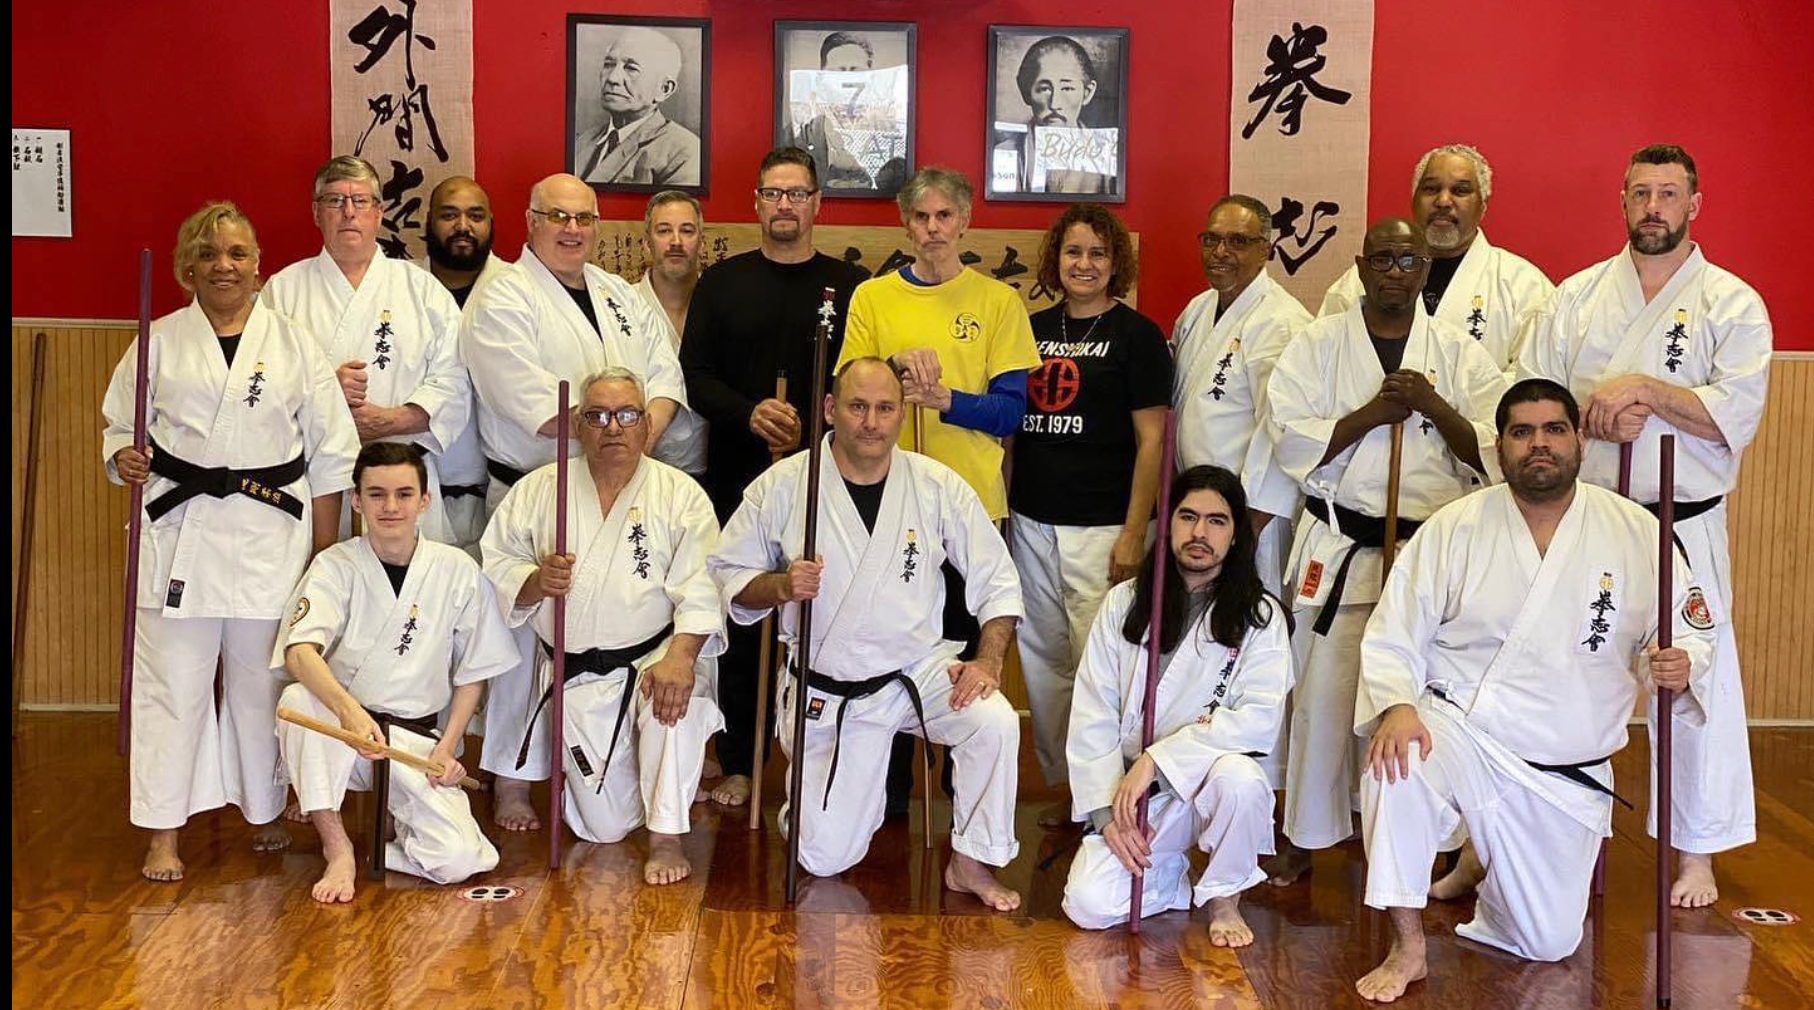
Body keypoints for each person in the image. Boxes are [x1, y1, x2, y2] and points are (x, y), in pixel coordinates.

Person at [1349, 379, 1715, 1002]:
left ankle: (1482, 867)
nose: (1538, 445)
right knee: (1396, 765)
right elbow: (1395, 631)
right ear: (1500, 447)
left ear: (1578, 440)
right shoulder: (1455, 526)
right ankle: (1408, 946)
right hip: (1462, 726)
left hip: (1560, 764)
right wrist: (1399, 706)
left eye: (1553, 430)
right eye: (1522, 432)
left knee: (1547, 942)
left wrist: (1682, 661)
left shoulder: (1635, 531)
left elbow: (1686, 627)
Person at [1515, 144, 1771, 908]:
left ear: (1696, 204)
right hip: (1592, 518)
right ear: (1621, 201)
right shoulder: (1577, 297)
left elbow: (1738, 414)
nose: (1653, 207)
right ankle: (1549, 827)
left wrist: (1647, 392)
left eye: (1668, 194)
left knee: (1688, 679)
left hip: (1682, 524)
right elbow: (1536, 403)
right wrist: (1599, 413)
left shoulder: (1733, 303)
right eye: (1640, 193)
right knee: (1566, 670)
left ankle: (1696, 850)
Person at [709, 357, 1026, 910]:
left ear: (901, 413)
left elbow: (997, 580)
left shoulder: (935, 486)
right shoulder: (785, 486)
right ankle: (812, 806)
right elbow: (728, 579)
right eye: (858, 407)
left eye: (885, 408)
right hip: (831, 688)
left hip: (918, 671)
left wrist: (989, 660)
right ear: (831, 409)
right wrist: (781, 587)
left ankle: (969, 863)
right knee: (824, 859)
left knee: (993, 720)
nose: (872, 422)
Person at [102, 201, 359, 882]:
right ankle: (164, 830)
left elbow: (332, 455)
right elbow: (117, 429)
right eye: (210, 254)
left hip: (270, 532)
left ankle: (264, 806)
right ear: (188, 267)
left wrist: (324, 554)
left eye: (238, 253)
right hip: (179, 530)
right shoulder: (156, 341)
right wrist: (123, 456)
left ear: (259, 265)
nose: (225, 266)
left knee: (261, 682)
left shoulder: (297, 344)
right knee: (172, 688)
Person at [1263, 218, 1507, 885]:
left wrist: (1430, 404)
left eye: (1410, 260)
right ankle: (1306, 831)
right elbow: (1288, 439)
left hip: (1425, 550)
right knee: (1321, 693)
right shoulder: (1316, 345)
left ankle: (1417, 837)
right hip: (1341, 541)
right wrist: (1374, 413)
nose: (1396, 270)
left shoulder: (1457, 354)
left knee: (1415, 698)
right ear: (1361, 266)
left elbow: (1495, 447)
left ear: (1425, 270)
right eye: (1384, 259)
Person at [461, 173, 693, 831]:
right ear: (530, 220)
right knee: (521, 638)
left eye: (584, 218)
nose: (572, 229)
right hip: (539, 487)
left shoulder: (620, 294)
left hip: (625, 488)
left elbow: (665, 377)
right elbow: (525, 400)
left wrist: (632, 438)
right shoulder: (500, 297)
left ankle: (613, 761)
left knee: (616, 622)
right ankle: (511, 779)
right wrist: (612, 432)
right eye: (557, 217)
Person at [837, 166, 1039, 809]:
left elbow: (1012, 414)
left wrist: (947, 400)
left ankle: (963, 790)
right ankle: (887, 791)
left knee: (965, 644)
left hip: (973, 500)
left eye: (943, 217)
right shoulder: (873, 298)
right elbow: (852, 386)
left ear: (965, 222)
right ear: (905, 223)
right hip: (888, 499)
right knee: (892, 640)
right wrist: (897, 372)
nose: (931, 230)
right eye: (920, 218)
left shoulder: (998, 302)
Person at [481, 368, 725, 883]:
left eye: (627, 415)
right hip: (578, 673)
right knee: (602, 828)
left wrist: (681, 657)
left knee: (676, 705)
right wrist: (534, 581)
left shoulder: (680, 495)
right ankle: (637, 784)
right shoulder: (539, 490)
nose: (613, 427)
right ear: (578, 423)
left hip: (654, 660)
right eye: (598, 416)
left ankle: (667, 836)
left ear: (644, 425)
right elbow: (498, 564)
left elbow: (702, 585)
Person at [680, 147, 868, 806]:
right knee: (748, 614)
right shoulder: (722, 283)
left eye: (797, 193)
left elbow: (865, 382)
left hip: (829, 477)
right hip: (739, 474)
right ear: (756, 203)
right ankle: (740, 758)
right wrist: (749, 411)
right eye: (772, 193)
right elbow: (695, 376)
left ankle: (826, 759)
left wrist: (822, 428)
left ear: (818, 203)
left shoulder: (851, 287)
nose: (784, 205)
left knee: (830, 612)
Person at [273, 442, 519, 902]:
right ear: (356, 500)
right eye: (377, 494)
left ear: (425, 501)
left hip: (413, 743)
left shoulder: (457, 570)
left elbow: (475, 671)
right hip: (345, 736)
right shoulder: (335, 565)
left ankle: (387, 853)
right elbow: (299, 653)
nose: (390, 507)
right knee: (296, 702)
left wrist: (447, 749)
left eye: (404, 494)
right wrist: (349, 714)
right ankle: (338, 847)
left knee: (462, 859)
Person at [1061, 466, 1291, 941]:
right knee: (1088, 904)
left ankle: (1225, 898)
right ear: (1166, 524)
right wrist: (1107, 818)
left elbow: (1257, 721)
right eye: (1187, 517)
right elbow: (1092, 713)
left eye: (1217, 521)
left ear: (1235, 534)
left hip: (1206, 783)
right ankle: (1168, 877)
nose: (1199, 533)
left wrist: (1159, 759)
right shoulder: (1124, 603)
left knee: (1243, 782)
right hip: (1133, 792)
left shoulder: (1260, 617)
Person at [1010, 204, 1171, 821]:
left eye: (1098, 254)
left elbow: (1153, 441)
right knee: (1042, 660)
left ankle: (1111, 798)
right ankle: (1072, 793)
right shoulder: (1030, 327)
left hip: (1104, 524)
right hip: (1031, 519)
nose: (1084, 264)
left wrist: (1135, 531)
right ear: (1056, 260)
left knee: (1101, 665)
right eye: (1074, 252)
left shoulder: (1138, 337)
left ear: (1116, 265)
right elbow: (1013, 435)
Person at [262, 155, 470, 544]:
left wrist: (388, 421)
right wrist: (323, 390)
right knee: (324, 594)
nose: (348, 213)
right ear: (316, 213)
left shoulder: (422, 289)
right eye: (334, 201)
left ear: (378, 212)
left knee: (415, 599)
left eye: (360, 201)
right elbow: (261, 385)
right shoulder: (282, 290)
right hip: (318, 482)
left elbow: (455, 381)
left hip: (404, 481)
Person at [1173, 194, 1311, 599]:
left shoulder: (1282, 322)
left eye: (1237, 241)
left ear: (1264, 250)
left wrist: (1248, 525)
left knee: (1245, 629)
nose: (1220, 252)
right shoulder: (1198, 309)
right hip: (1196, 513)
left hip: (1249, 517)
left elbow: (1282, 433)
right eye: (1211, 239)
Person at [1319, 144, 1552, 371]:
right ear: (1413, 201)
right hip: (1370, 410)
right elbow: (1320, 359)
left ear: (1482, 206)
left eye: (1460, 191)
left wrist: (1466, 400)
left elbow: (1535, 378)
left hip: (1475, 411)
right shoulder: (1364, 278)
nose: (1443, 201)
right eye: (1431, 189)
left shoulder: (1522, 286)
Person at [421, 175, 510, 552]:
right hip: (415, 483)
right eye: (449, 215)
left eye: (475, 216)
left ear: (491, 223)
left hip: (498, 483)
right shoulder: (399, 285)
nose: (463, 227)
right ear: (428, 221)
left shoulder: (519, 288)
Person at [628, 190, 709, 477]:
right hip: (638, 464)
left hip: (709, 468)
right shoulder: (623, 307)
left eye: (687, 231)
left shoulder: (721, 304)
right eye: (664, 231)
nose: (676, 241)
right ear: (646, 243)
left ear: (702, 241)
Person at [577, 27, 701, 188]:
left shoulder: (685, 152)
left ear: (664, 89)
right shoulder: (584, 140)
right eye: (609, 64)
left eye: (631, 68)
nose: (613, 78)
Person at [994, 36, 1115, 196]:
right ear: (1025, 92)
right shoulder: (1003, 153)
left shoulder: (1107, 158)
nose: (1055, 103)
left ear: (1087, 92)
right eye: (1044, 89)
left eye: (1067, 88)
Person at [789, 32, 885, 191]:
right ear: (821, 80)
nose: (847, 79)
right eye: (838, 71)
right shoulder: (798, 136)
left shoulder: (894, 134)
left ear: (871, 79)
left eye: (855, 70)